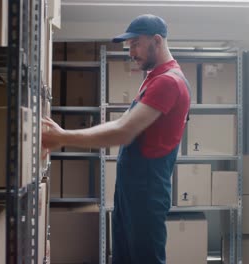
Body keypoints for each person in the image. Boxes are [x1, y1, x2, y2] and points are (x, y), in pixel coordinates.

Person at [42, 14, 191, 264]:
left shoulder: (168, 82)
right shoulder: (153, 78)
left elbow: (124, 130)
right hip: (132, 189)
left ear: (157, 40)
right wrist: (62, 133)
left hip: (146, 190)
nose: (130, 52)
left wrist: (63, 137)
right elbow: (121, 124)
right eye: (129, 45)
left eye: (135, 44)